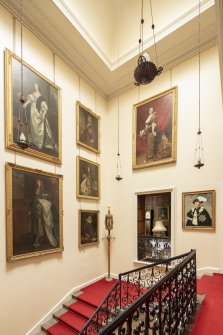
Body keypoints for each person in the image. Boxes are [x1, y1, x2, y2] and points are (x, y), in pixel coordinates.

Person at [23, 83, 58, 152]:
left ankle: (39, 144)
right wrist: (25, 104)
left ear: (38, 87)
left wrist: (43, 114)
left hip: (38, 112)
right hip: (33, 112)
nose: (36, 87)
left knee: (39, 126)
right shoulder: (32, 94)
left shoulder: (40, 95)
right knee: (33, 126)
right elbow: (29, 100)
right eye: (35, 85)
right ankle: (34, 141)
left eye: (37, 86)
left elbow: (44, 105)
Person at [28, 179, 58, 248]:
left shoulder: (43, 191)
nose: (38, 183)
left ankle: (37, 241)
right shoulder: (36, 190)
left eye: (39, 182)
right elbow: (34, 200)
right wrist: (31, 209)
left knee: (40, 224)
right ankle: (36, 240)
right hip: (35, 208)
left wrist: (43, 199)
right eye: (37, 182)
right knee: (35, 225)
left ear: (41, 183)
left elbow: (46, 200)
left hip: (41, 208)